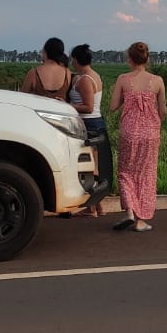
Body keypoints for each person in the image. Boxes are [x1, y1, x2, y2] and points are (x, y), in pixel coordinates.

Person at [109, 42, 165, 233]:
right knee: (146, 174)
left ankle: (130, 212)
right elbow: (162, 110)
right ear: (147, 59)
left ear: (129, 59)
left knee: (126, 172)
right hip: (150, 132)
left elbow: (113, 106)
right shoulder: (157, 81)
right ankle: (141, 220)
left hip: (129, 131)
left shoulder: (123, 79)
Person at [68, 43, 108, 217]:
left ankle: (92, 206)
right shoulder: (92, 75)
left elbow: (88, 107)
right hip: (96, 123)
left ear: (76, 60)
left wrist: (67, 105)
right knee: (94, 165)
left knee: (89, 167)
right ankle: (97, 206)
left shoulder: (85, 80)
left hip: (88, 124)